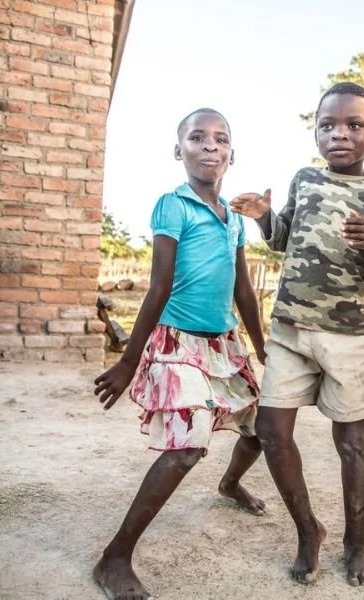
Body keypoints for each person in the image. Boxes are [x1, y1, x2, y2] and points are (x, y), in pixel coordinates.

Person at [230, 82, 364, 586]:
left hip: (350, 336)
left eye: (353, 125)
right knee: (272, 432)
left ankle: (355, 543)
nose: (339, 134)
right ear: (315, 132)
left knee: (353, 443)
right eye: (327, 125)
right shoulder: (305, 179)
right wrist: (262, 217)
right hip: (291, 328)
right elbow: (282, 239)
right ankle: (306, 530)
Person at [92, 108, 267, 600]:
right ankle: (115, 557)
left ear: (232, 154)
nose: (210, 145)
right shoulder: (173, 206)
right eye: (197, 137)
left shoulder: (234, 219)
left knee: (264, 430)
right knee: (187, 447)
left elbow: (244, 292)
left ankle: (230, 484)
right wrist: (130, 359)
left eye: (221, 139)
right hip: (178, 342)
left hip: (224, 344)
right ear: (180, 151)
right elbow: (158, 286)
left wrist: (262, 347)